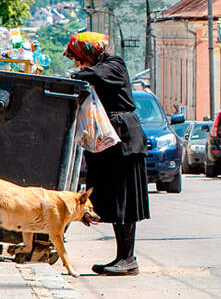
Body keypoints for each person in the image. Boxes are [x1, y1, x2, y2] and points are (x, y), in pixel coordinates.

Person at [64, 32, 149, 276]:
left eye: (80, 58)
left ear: (90, 52)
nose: (79, 64)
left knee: (123, 199)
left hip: (124, 140)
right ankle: (122, 257)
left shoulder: (114, 64)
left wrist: (75, 74)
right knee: (111, 198)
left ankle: (128, 258)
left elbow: (95, 75)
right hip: (108, 140)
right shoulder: (99, 67)